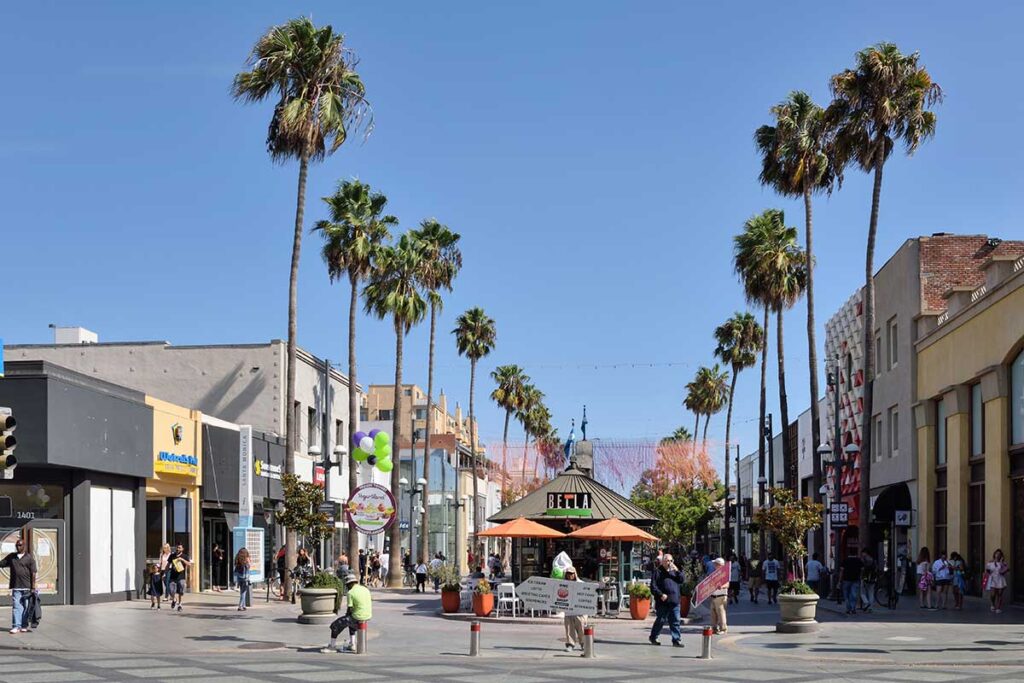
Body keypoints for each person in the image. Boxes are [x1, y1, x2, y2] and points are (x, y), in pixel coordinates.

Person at [322, 574, 372, 653]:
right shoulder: (365, 589)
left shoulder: (351, 592)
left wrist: (345, 618)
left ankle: (332, 646)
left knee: (335, 625)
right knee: (349, 621)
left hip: (357, 616)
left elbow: (350, 609)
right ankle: (352, 644)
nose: (347, 587)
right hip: (368, 615)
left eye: (347, 585)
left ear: (350, 584)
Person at [0, 538, 36, 633]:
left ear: (24, 546)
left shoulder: (29, 558)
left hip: (27, 587)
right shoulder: (12, 557)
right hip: (16, 586)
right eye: (16, 545)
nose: (18, 547)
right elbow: (2, 563)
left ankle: (24, 625)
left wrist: (33, 587)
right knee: (16, 607)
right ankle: (16, 626)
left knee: (26, 607)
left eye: (20, 545)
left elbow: (33, 573)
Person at [649, 554, 684, 648]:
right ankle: (653, 637)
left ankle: (676, 640)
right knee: (660, 620)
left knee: (675, 621)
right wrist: (660, 594)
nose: (669, 563)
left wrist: (677, 571)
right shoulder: (658, 572)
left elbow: (681, 580)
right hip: (663, 602)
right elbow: (653, 587)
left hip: (674, 601)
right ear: (663, 561)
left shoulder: (674, 571)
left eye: (671, 561)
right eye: (667, 561)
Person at [562, 567, 588, 652]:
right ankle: (570, 644)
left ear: (575, 574)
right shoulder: (562, 584)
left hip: (580, 611)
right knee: (569, 629)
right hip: (568, 612)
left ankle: (583, 644)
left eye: (572, 573)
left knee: (581, 628)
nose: (570, 575)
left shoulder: (581, 584)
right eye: (568, 574)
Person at [167, 543, 192, 612]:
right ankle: (174, 599)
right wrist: (164, 573)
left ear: (182, 549)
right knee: (171, 590)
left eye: (179, 548)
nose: (178, 549)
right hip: (173, 576)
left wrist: (182, 560)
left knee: (180, 591)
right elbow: (168, 564)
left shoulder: (185, 556)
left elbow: (189, 564)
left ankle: (180, 605)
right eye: (177, 547)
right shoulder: (172, 555)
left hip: (181, 577)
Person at [709, 557, 730, 634]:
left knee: (721, 612)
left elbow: (727, 584)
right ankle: (714, 628)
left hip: (721, 596)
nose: (714, 565)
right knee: (713, 613)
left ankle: (723, 629)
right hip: (714, 596)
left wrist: (722, 586)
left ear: (719, 565)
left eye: (715, 564)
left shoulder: (725, 573)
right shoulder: (715, 573)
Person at [839, 551, 863, 616]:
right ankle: (853, 608)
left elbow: (841, 571)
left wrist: (839, 580)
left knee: (846, 595)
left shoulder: (845, 560)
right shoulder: (859, 560)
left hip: (846, 579)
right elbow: (862, 570)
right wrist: (860, 577)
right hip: (855, 579)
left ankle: (848, 608)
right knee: (853, 594)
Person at [985, 548, 1009, 613]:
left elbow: (1006, 570)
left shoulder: (1003, 563)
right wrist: (988, 571)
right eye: (996, 554)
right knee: (993, 594)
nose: (997, 555)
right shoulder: (990, 562)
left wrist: (1002, 563)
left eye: (999, 554)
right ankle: (992, 604)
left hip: (1000, 579)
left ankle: (998, 607)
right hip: (993, 579)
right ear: (994, 554)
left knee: (1000, 594)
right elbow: (987, 571)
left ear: (1001, 555)